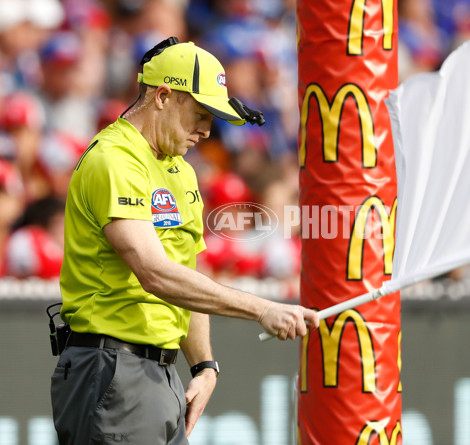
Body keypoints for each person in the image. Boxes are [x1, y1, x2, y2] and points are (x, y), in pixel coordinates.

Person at [51, 37, 318, 444]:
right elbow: (155, 274)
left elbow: (186, 271)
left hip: (158, 373)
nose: (207, 131)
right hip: (111, 370)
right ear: (162, 96)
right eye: (199, 114)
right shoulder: (114, 159)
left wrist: (204, 366)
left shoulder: (181, 171)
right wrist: (261, 308)